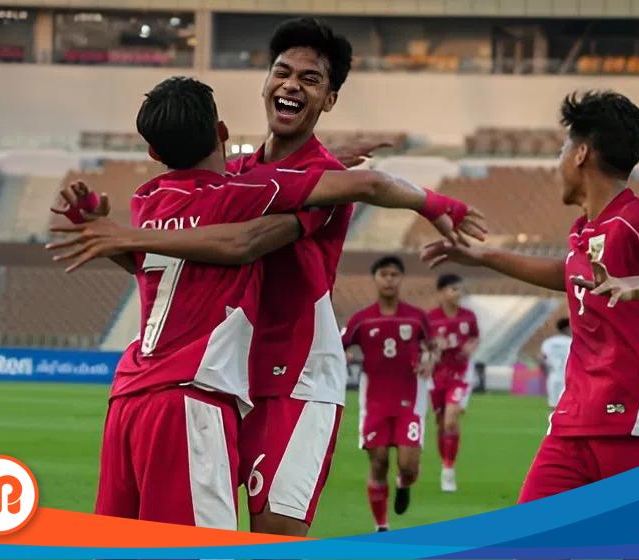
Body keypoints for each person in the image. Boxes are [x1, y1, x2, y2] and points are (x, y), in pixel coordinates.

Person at [48, 76, 485, 531]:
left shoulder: (147, 201)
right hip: (189, 398)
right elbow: (366, 187)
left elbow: (150, 260)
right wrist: (434, 203)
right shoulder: (241, 196)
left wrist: (104, 228)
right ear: (221, 132)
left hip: (127, 400)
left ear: (154, 155)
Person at [421, 90, 639, 502]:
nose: (558, 161)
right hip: (573, 423)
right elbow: (564, 274)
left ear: (581, 153)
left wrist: (631, 285)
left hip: (637, 425)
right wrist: (484, 256)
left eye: (562, 147)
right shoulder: (583, 231)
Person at [341, 256, 433, 532]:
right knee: (379, 461)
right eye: (384, 274)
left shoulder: (417, 317)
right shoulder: (362, 319)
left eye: (394, 274)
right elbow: (340, 343)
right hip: (375, 400)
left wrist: (430, 357)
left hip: (409, 397)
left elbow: (432, 345)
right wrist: (343, 354)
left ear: (401, 278)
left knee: (408, 465)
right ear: (375, 279)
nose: (389, 279)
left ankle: (404, 484)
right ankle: (382, 526)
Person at [426, 273, 479, 492]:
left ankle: (449, 469)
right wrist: (433, 348)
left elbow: (474, 337)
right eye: (453, 289)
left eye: (460, 289)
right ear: (441, 292)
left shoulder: (468, 317)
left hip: (460, 374)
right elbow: (424, 345)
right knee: (440, 424)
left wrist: (470, 347)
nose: (458, 294)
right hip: (436, 376)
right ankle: (444, 463)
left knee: (450, 420)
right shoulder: (430, 318)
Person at [539, 317, 572, 409]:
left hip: (553, 377)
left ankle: (552, 423)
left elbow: (542, 362)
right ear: (569, 328)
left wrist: (547, 375)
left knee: (553, 407)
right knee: (568, 408)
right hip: (569, 379)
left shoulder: (548, 342)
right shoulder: (572, 342)